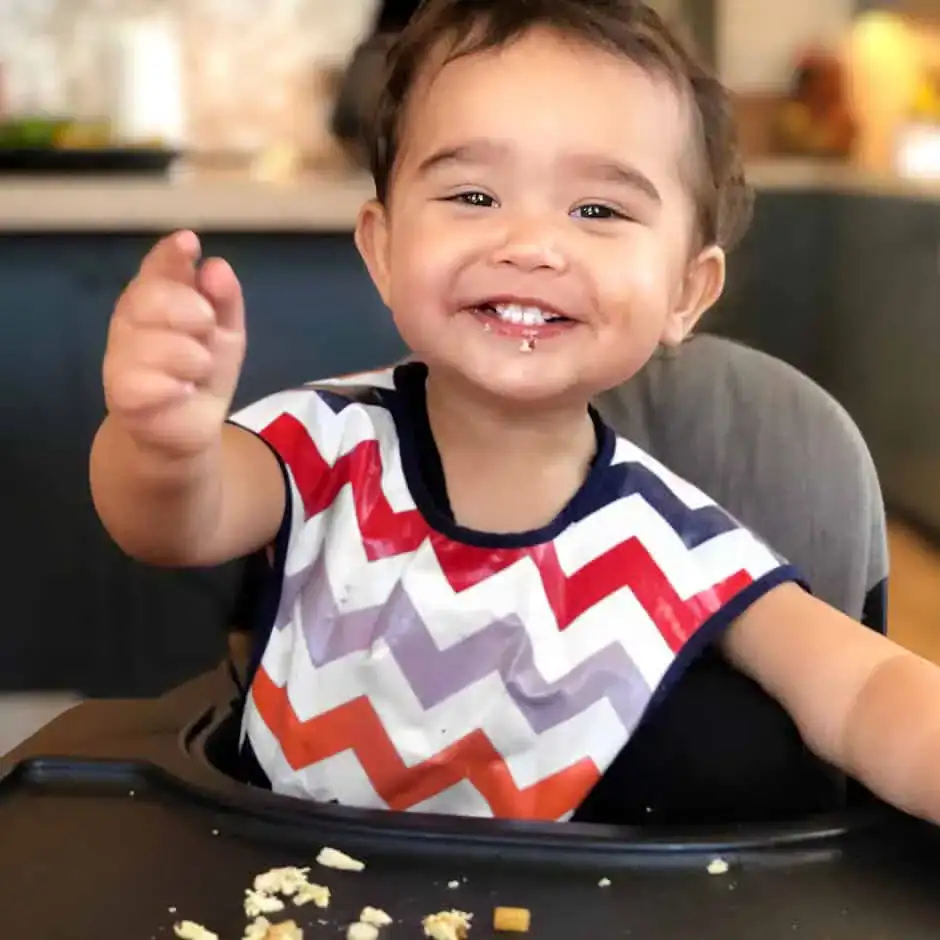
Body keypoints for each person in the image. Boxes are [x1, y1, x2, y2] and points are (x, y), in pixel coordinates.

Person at [89, 0, 940, 823]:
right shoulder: (320, 448)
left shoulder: (671, 549)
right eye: (473, 197)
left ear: (687, 291)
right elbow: (171, 522)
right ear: (383, 249)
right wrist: (162, 445)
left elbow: (862, 689)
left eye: (597, 210)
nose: (529, 244)